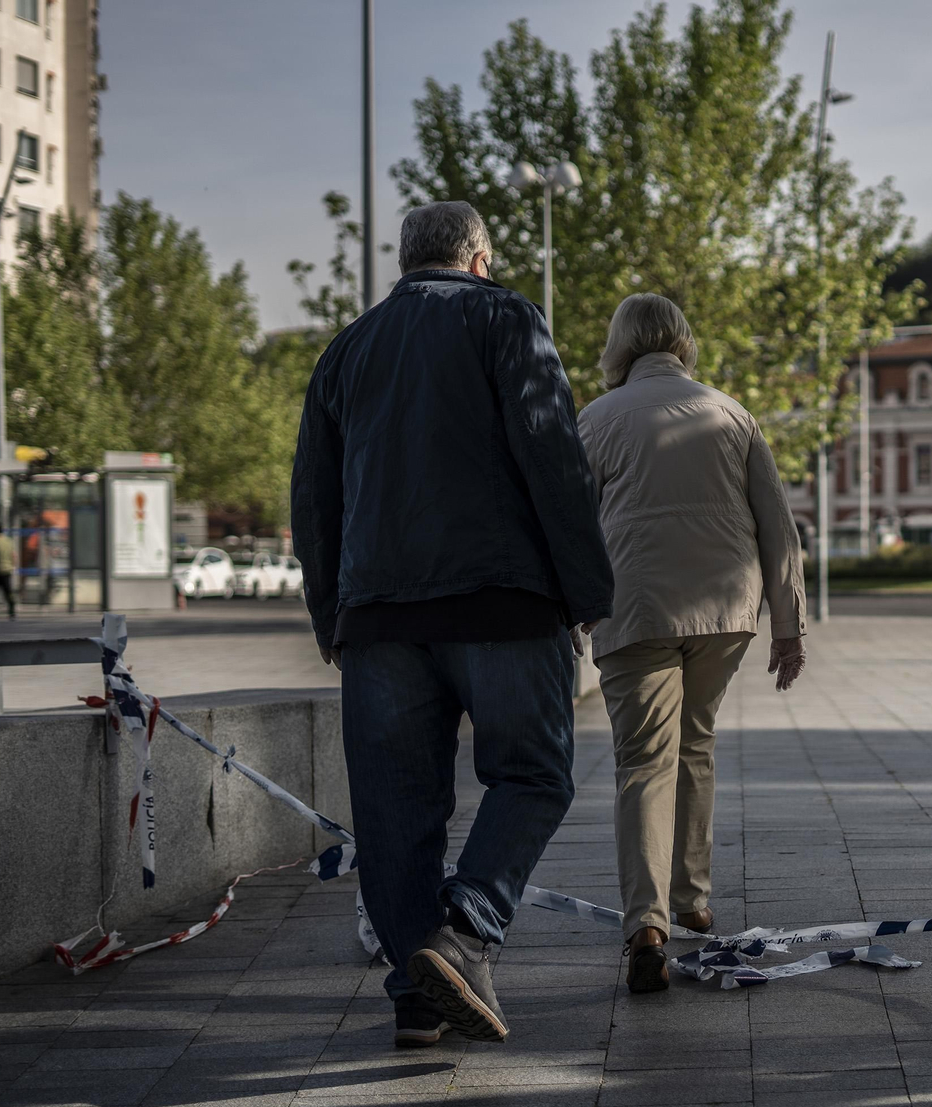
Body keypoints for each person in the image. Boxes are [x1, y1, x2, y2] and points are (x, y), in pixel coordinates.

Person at [291, 201, 615, 1048]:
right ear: (479, 258)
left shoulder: (346, 350)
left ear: (404, 263)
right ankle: (466, 930)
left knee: (395, 810)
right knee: (535, 773)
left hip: (379, 618)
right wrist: (585, 591)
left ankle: (414, 995)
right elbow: (551, 452)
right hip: (501, 600)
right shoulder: (506, 316)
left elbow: (314, 500)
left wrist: (330, 613)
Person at [576, 294, 808, 993]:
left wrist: (569, 608)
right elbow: (777, 525)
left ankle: (647, 922)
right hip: (724, 609)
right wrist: (789, 626)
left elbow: (569, 523)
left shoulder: (595, 418)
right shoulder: (731, 413)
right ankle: (692, 897)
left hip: (634, 606)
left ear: (620, 346)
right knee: (697, 742)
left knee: (645, 760)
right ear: (682, 341)